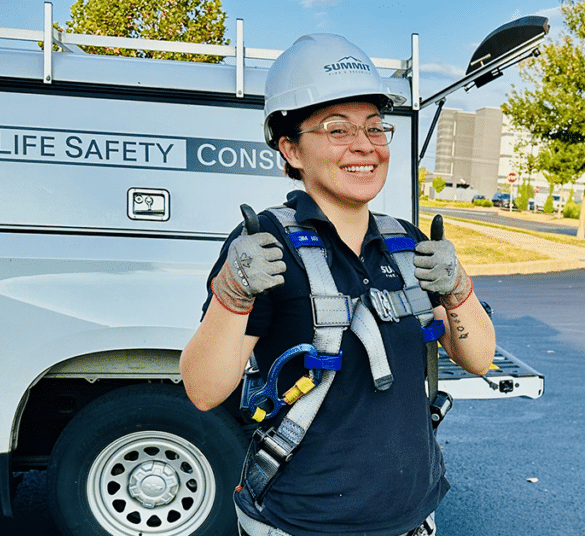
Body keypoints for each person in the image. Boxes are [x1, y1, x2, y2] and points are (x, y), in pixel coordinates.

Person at [180, 34, 495, 536]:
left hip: (414, 517)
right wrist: (232, 295)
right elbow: (202, 390)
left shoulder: (407, 243)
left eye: (375, 128)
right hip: (306, 522)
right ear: (290, 148)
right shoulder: (266, 245)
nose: (365, 146)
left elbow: (478, 358)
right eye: (336, 128)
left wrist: (459, 290)